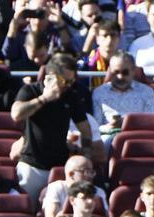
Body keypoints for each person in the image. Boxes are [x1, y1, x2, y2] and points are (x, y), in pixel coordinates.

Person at [10, 54, 94, 201]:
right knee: (27, 206)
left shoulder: (70, 96)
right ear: (51, 76)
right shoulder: (31, 91)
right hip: (31, 165)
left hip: (58, 167)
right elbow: (17, 114)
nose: (67, 85)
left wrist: (86, 155)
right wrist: (44, 98)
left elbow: (85, 129)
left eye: (71, 81)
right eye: (64, 81)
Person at [91, 51, 154, 143]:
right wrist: (110, 127)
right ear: (109, 71)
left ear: (133, 71)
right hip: (109, 136)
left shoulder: (146, 91)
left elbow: (152, 122)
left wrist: (128, 123)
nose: (120, 77)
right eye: (116, 72)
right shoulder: (99, 92)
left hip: (139, 135)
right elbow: (95, 126)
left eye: (125, 72)